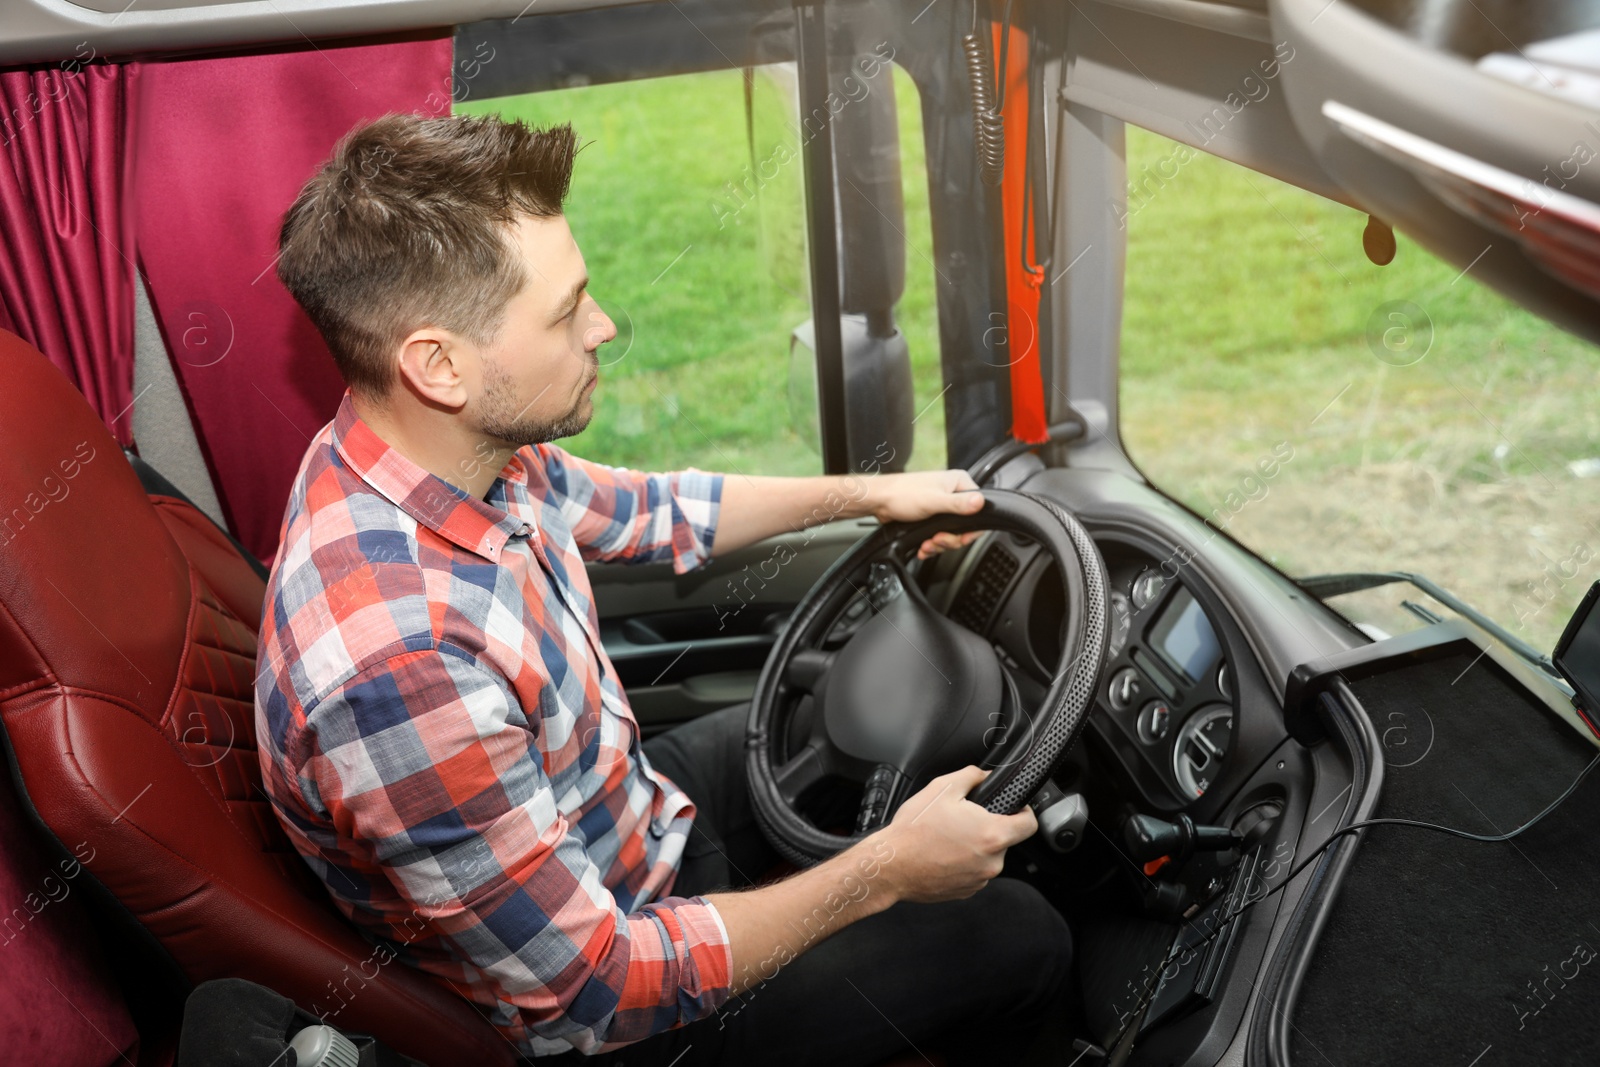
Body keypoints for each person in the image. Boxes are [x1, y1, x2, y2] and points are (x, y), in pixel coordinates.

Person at [254, 112, 1073, 1066]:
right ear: (438, 365)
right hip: (629, 1024)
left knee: (826, 715)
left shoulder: (434, 450)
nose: (601, 327)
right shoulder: (399, 673)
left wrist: (870, 495)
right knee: (1021, 934)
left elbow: (654, 511)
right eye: (566, 313)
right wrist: (886, 871)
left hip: (622, 819)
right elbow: (598, 990)